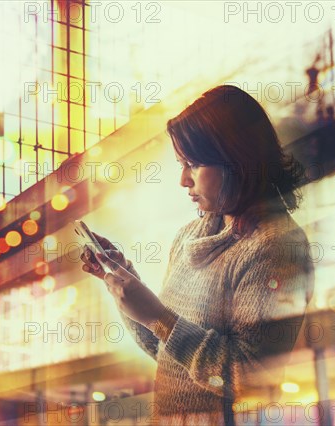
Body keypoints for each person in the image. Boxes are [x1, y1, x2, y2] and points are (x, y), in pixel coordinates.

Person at [80, 85, 315, 425]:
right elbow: (168, 350)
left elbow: (250, 380)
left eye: (192, 164)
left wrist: (158, 316)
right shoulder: (190, 235)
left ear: (236, 159)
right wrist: (123, 284)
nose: (182, 180)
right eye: (180, 163)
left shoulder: (276, 246)